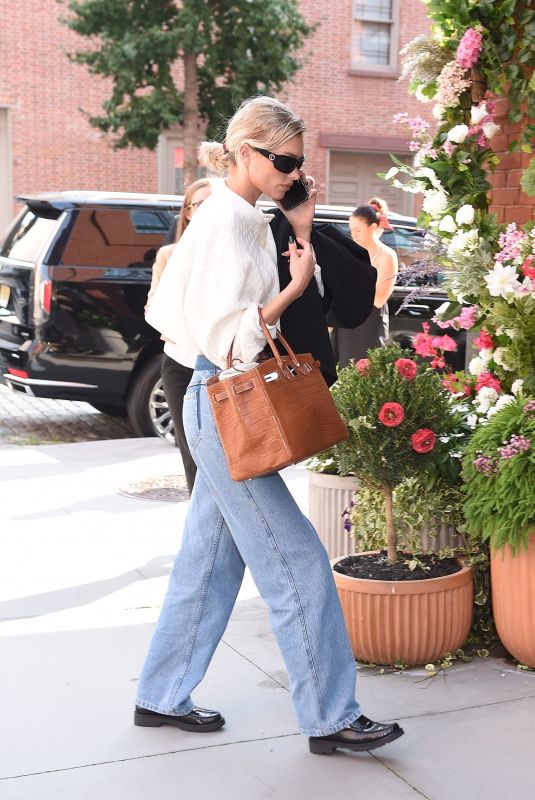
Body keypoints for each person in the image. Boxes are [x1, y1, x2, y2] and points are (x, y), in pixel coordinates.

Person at [137, 95, 404, 755]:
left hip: (211, 394)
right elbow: (233, 338)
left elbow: (171, 315)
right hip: (222, 396)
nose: (291, 171)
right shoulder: (228, 223)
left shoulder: (240, 217)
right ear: (244, 152)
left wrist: (301, 239)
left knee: (208, 560)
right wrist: (289, 289)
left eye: (297, 161)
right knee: (298, 562)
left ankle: (160, 694)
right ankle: (331, 716)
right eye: (281, 160)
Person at [145, 178, 212, 494]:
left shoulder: (228, 253)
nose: (207, 208)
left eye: (214, 201)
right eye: (200, 203)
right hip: (178, 363)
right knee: (190, 452)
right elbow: (153, 308)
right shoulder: (169, 255)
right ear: (187, 212)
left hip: (218, 366)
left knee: (220, 455)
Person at [330, 200, 399, 367]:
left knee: (365, 375)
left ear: (373, 228)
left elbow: (379, 299)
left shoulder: (386, 256)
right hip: (345, 323)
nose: (353, 235)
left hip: (369, 324)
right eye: (351, 230)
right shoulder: (351, 253)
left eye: (358, 230)